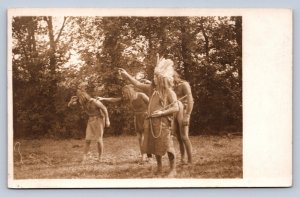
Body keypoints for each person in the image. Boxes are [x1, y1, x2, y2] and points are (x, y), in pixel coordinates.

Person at [118, 57, 179, 177]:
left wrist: (161, 113)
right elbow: (137, 83)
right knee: (155, 146)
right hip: (152, 123)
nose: (154, 79)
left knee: (168, 146)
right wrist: (126, 75)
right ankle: (160, 168)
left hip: (163, 123)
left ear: (161, 78)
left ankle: (173, 170)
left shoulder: (169, 92)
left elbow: (175, 108)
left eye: (156, 77)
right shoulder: (152, 89)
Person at [97, 85, 152, 162]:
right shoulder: (129, 98)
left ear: (129, 91)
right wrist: (103, 98)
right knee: (140, 137)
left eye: (125, 93)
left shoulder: (141, 95)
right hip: (137, 117)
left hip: (146, 116)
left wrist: (151, 114)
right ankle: (143, 155)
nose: (124, 95)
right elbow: (115, 99)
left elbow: (151, 103)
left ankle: (148, 155)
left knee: (146, 137)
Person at [68, 82, 110, 163]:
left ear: (84, 97)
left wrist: (107, 120)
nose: (79, 100)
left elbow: (104, 108)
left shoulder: (94, 101)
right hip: (90, 120)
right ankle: (84, 158)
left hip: (99, 119)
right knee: (87, 140)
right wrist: (70, 101)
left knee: (98, 140)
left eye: (80, 98)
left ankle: (100, 158)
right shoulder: (82, 103)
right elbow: (70, 106)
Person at [173, 71, 194, 164]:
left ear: (175, 76)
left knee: (184, 136)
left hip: (184, 111)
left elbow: (190, 101)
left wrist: (187, 115)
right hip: (176, 112)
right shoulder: (172, 87)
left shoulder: (184, 84)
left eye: (171, 78)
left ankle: (190, 160)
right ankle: (182, 159)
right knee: (178, 137)